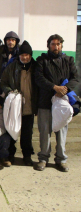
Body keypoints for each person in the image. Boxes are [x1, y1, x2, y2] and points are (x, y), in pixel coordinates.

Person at [34, 34, 78, 172]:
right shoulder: (42, 60)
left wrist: (65, 89)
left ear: (61, 45)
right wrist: (54, 87)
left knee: (61, 132)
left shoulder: (69, 60)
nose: (56, 46)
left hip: (63, 102)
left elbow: (76, 78)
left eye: (58, 44)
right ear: (49, 45)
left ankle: (61, 159)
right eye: (53, 44)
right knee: (44, 132)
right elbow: (39, 78)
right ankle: (43, 159)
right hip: (45, 102)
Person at [0, 41, 38, 166]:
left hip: (29, 106)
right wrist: (9, 91)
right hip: (15, 107)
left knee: (27, 133)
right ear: (19, 55)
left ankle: (27, 156)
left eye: (27, 55)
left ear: (31, 55)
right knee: (11, 131)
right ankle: (10, 156)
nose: (25, 57)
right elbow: (3, 82)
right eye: (22, 54)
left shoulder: (36, 67)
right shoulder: (12, 67)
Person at [0, 31, 20, 109]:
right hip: (0, 88)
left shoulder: (20, 55)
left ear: (16, 42)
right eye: (8, 40)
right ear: (5, 41)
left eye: (13, 40)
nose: (10, 42)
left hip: (15, 90)